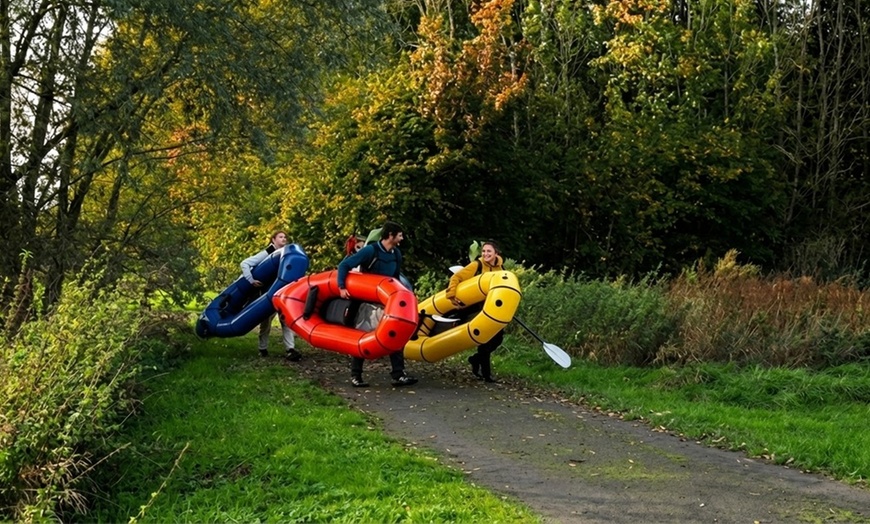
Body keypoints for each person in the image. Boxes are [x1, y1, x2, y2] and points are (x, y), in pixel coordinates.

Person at [337, 221, 418, 388]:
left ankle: (398, 374)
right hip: (368, 302)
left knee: (396, 334)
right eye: (400, 235)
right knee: (363, 335)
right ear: (390, 235)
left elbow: (394, 278)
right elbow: (344, 265)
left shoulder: (396, 254)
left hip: (387, 302)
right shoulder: (370, 251)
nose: (402, 238)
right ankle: (356, 375)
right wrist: (342, 287)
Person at [446, 240, 505, 382]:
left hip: (491, 307)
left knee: (498, 338)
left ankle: (475, 359)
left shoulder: (501, 268)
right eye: (484, 251)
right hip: (476, 308)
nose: (485, 254)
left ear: (496, 253)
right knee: (485, 339)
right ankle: (486, 374)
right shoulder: (476, 265)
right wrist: (451, 294)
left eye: (489, 251)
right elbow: (457, 277)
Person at [241, 231, 302, 361]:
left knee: (286, 321)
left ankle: (290, 349)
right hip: (267, 294)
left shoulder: (287, 253)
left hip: (283, 294)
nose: (284, 238)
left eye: (285, 237)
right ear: (273, 240)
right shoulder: (267, 252)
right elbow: (245, 263)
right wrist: (251, 280)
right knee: (266, 323)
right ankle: (262, 348)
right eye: (280, 237)